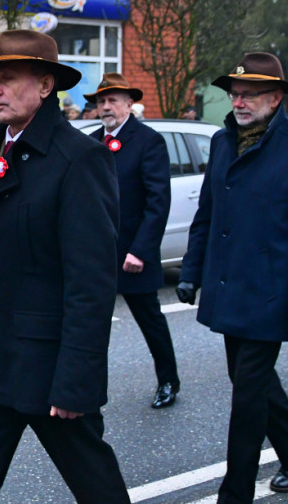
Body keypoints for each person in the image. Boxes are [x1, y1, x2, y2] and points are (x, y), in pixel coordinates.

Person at [0, 30, 130, 503]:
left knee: (96, 486)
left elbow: (91, 281)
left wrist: (77, 379)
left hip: (45, 368)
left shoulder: (79, 159)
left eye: (8, 78)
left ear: (46, 85)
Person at [177, 52, 288, 503]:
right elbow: (207, 212)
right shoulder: (222, 142)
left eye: (250, 94)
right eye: (235, 94)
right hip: (228, 284)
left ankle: (234, 492)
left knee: (246, 401)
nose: (238, 102)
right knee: (248, 382)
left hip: (272, 289)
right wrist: (191, 269)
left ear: (276, 98)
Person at [86, 74, 179, 409]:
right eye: (101, 101)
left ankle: (168, 379)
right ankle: (88, 387)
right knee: (91, 322)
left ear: (129, 104)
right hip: (99, 253)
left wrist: (140, 250)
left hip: (132, 252)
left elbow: (158, 202)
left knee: (149, 319)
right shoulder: (93, 142)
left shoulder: (147, 140)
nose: (106, 107)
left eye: (113, 100)